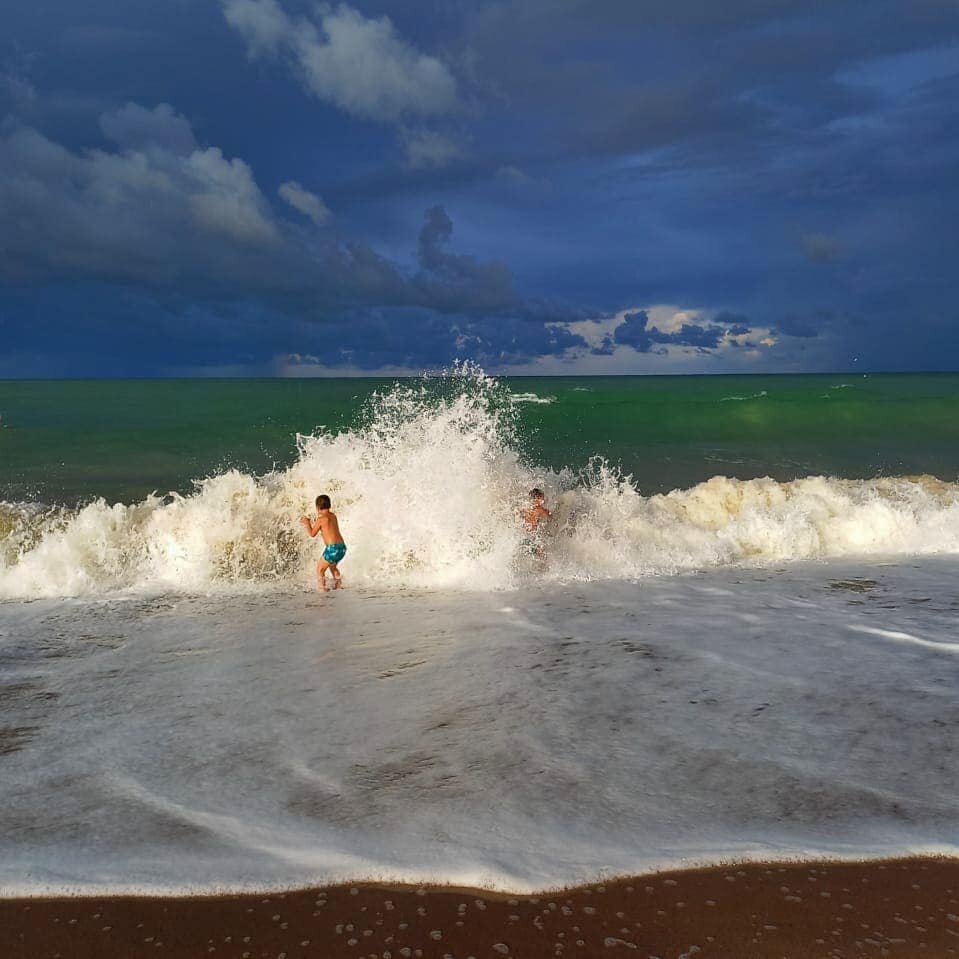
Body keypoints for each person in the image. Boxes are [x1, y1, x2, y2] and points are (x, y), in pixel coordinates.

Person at [300, 494, 347, 591]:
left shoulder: (321, 519)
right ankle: (339, 586)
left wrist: (307, 524)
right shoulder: (333, 516)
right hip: (341, 547)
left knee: (320, 570)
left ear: (317, 507)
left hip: (332, 548)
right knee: (332, 567)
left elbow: (312, 533)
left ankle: (322, 589)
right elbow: (327, 526)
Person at [520, 487, 551, 561]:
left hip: (523, 537)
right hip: (533, 538)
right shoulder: (540, 510)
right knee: (543, 557)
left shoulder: (525, 510)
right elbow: (551, 518)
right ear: (537, 499)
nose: (543, 500)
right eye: (542, 498)